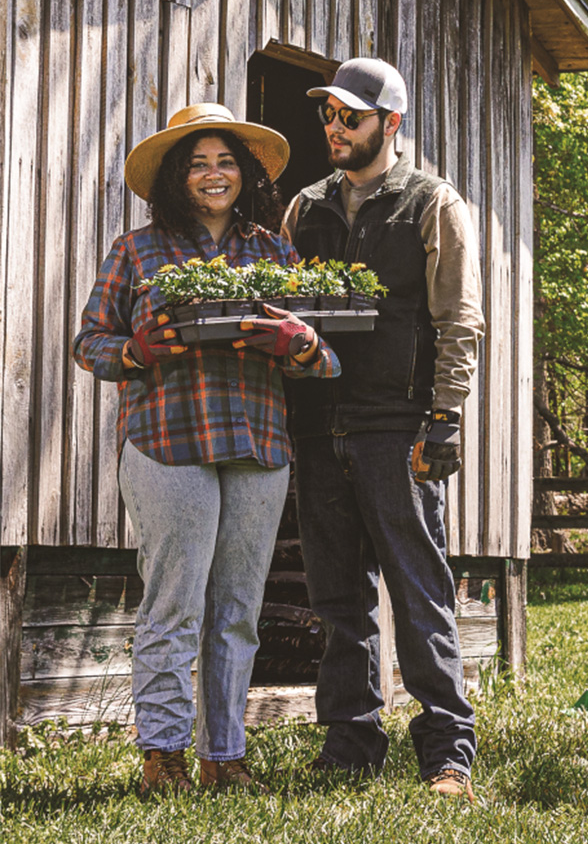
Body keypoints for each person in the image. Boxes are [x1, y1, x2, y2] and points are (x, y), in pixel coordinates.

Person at [73, 103, 340, 796]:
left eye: (225, 162)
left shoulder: (273, 254)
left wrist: (302, 344)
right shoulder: (136, 251)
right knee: (175, 605)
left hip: (256, 444)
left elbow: (323, 357)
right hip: (169, 443)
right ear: (174, 178)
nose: (214, 174)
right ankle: (163, 757)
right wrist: (134, 352)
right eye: (198, 163)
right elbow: (89, 342)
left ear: (245, 173)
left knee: (237, 612)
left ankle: (225, 756)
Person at [282, 57, 485, 799]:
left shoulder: (432, 204)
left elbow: (459, 320)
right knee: (336, 594)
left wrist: (445, 418)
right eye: (329, 116)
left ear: (389, 123)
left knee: (418, 586)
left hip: (397, 426)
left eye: (350, 117)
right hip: (317, 423)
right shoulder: (305, 208)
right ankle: (351, 741)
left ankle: (446, 750)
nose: (335, 128)